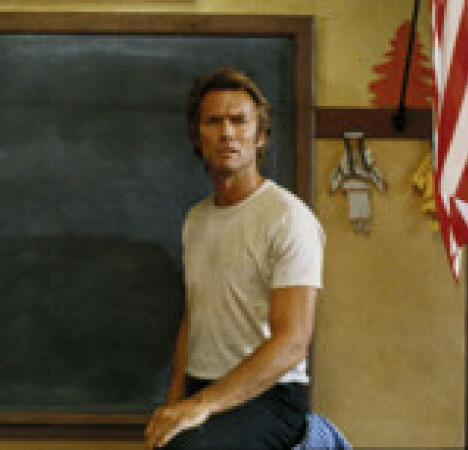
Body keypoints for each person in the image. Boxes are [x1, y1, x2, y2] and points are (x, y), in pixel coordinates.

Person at [145, 68, 325, 449]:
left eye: (239, 121)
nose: (226, 132)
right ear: (198, 137)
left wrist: (201, 406)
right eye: (213, 122)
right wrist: (174, 403)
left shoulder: (288, 218)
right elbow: (194, 317)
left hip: (269, 396)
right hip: (202, 385)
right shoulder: (195, 220)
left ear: (260, 136)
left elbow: (293, 342)